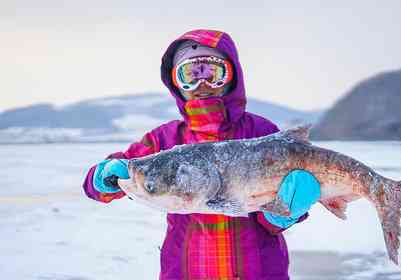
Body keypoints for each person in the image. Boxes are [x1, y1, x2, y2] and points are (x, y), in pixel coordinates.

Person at [82, 29, 321, 280]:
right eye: (191, 75)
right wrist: (102, 178)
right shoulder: (165, 139)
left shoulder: (261, 132)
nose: (202, 84)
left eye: (212, 73)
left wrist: (284, 214)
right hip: (185, 272)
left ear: (232, 76)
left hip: (258, 271)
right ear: (176, 83)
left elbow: (287, 203)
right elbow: (103, 183)